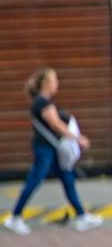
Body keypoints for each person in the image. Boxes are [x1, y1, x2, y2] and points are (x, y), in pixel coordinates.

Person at [5, 69, 101, 235]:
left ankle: (81, 216)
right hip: (45, 149)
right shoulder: (42, 103)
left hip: (52, 148)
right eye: (55, 80)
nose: (57, 84)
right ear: (47, 84)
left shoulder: (43, 102)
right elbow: (56, 124)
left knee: (67, 177)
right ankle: (15, 217)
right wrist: (78, 139)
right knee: (35, 180)